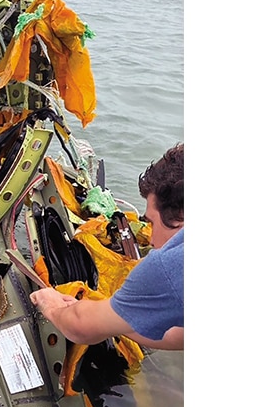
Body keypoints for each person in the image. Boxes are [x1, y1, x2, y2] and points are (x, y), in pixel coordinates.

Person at [30, 143, 184, 350]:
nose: (153, 241)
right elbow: (179, 335)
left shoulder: (170, 265)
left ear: (181, 218)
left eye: (152, 222)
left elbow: (80, 328)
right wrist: (115, 319)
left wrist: (51, 306)